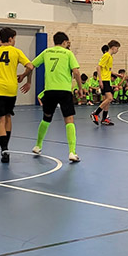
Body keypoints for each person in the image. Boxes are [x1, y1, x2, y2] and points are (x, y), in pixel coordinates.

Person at [0, 27, 33, 163]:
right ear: (10, 39)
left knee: (0, 120)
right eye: (15, 39)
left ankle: (4, 149)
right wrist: (24, 76)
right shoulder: (16, 52)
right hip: (11, 88)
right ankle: (7, 145)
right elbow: (30, 66)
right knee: (8, 116)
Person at [31, 31, 82, 163]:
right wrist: (80, 88)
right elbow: (76, 72)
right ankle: (72, 152)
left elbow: (31, 65)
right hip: (64, 91)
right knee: (69, 120)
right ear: (64, 42)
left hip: (50, 91)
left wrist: (27, 78)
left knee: (46, 118)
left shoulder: (46, 52)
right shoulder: (68, 53)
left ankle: (38, 146)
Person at [91, 40, 120, 126]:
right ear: (113, 47)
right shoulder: (106, 55)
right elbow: (98, 67)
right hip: (104, 80)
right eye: (117, 48)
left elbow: (107, 70)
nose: (117, 50)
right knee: (110, 98)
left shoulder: (110, 57)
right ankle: (95, 113)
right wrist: (100, 80)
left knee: (107, 100)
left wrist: (116, 74)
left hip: (107, 80)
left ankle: (104, 119)